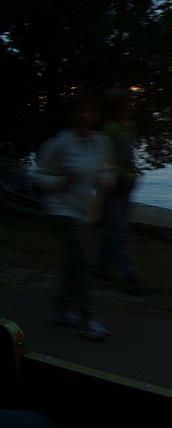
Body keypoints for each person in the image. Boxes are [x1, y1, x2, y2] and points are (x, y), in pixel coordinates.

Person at [32, 92, 114, 341]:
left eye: (91, 111)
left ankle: (60, 309)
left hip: (85, 212)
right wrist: (61, 182)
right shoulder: (59, 143)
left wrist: (108, 181)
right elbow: (37, 176)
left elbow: (107, 170)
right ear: (72, 114)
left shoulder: (101, 142)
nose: (86, 116)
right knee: (81, 261)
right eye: (81, 111)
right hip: (61, 209)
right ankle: (88, 319)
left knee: (73, 262)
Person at [98, 88, 145, 295]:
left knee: (116, 229)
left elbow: (129, 157)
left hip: (126, 183)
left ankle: (99, 267)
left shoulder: (128, 126)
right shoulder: (109, 128)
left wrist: (132, 176)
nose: (131, 105)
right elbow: (105, 159)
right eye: (127, 102)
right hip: (113, 185)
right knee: (119, 231)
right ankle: (129, 276)